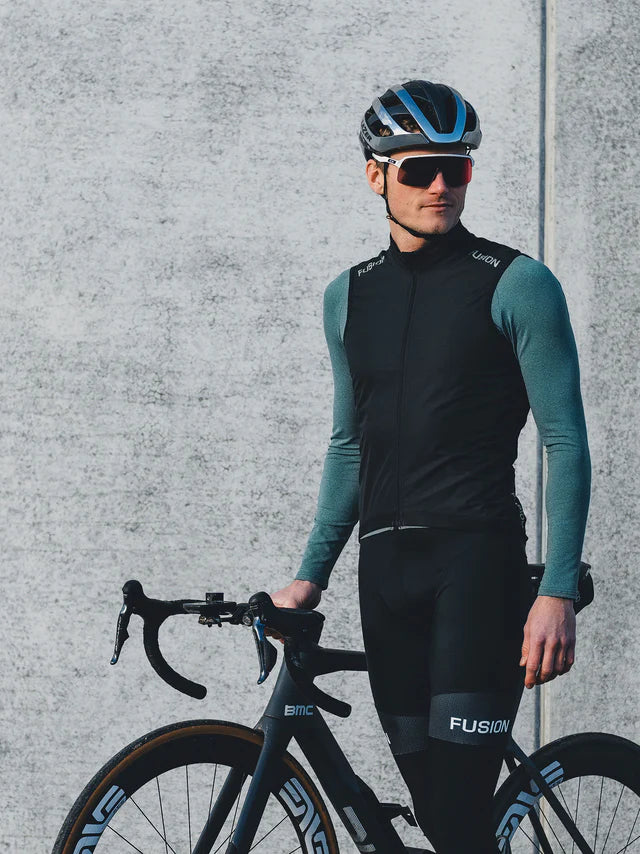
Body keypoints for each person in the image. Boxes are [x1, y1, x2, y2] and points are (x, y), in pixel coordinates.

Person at [270, 80, 591, 854]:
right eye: (419, 170)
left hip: (474, 565)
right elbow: (350, 444)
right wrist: (309, 577)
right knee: (438, 813)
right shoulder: (347, 297)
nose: (441, 185)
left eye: (458, 168)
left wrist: (556, 591)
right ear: (375, 175)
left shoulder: (516, 283)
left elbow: (565, 440)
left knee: (453, 810)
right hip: (384, 574)